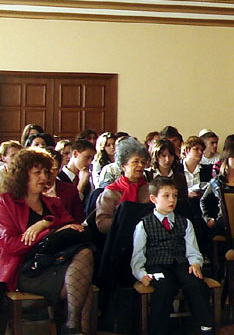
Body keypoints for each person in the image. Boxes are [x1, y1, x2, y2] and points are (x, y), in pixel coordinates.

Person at [0, 148, 95, 334]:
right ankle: (74, 328)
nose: (44, 177)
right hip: (25, 269)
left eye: (46, 172)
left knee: (84, 256)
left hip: (54, 262)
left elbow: (73, 228)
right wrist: (46, 232)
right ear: (22, 175)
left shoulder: (53, 203)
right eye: (37, 172)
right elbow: (11, 246)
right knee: (83, 285)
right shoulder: (5, 202)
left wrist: (44, 223)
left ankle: (73, 328)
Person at [131, 177, 214, 335]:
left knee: (195, 283)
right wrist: (141, 274)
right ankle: (158, 330)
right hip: (157, 265)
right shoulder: (144, 225)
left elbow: (193, 251)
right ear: (153, 199)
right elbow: (138, 256)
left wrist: (196, 263)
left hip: (180, 263)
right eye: (166, 196)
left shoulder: (185, 223)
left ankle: (206, 325)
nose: (172, 200)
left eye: (175, 196)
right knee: (164, 287)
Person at [96, 138, 152, 233]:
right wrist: (126, 223)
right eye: (135, 161)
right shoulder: (111, 192)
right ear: (123, 166)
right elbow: (102, 224)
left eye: (143, 162)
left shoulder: (150, 189)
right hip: (119, 236)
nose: (140, 165)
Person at [43, 148, 85, 223]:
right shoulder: (30, 190)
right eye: (46, 169)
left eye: (54, 169)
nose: (50, 173)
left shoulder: (70, 190)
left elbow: (79, 219)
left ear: (59, 169)